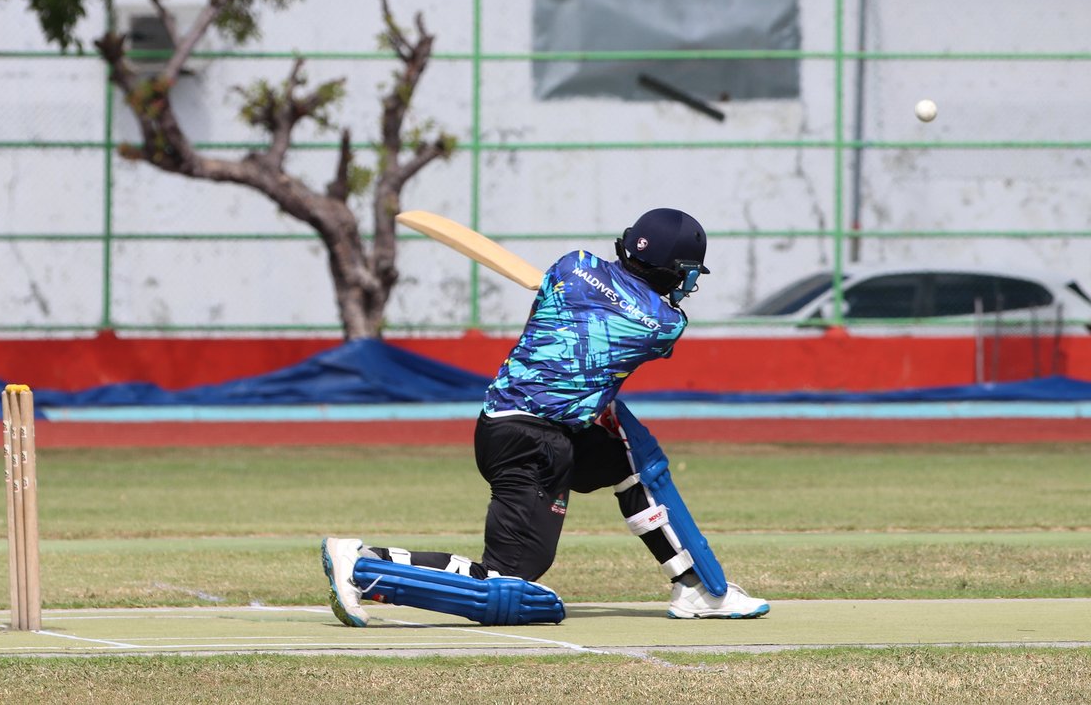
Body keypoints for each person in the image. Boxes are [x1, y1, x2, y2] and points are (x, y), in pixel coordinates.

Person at [323, 208, 768, 626]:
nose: (689, 284)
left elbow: (584, 310)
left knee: (627, 461)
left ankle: (694, 586)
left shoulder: (571, 265)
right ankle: (364, 566)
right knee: (509, 582)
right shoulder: (663, 323)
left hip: (523, 426)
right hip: (531, 441)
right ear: (672, 271)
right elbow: (622, 326)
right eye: (687, 273)